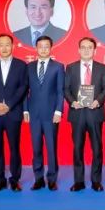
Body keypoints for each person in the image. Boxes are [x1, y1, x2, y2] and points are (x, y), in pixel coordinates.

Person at [64, 37, 105, 191]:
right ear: (78, 50)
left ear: (94, 50)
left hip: (95, 112)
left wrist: (98, 101)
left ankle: (96, 181)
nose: (86, 50)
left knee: (97, 149)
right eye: (83, 47)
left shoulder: (102, 68)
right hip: (77, 113)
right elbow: (66, 89)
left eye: (89, 47)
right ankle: (79, 181)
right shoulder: (70, 67)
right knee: (77, 149)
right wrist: (72, 102)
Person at [0, 33, 28, 191]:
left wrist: (9, 105)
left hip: (13, 112)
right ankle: (0, 179)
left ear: (13, 46)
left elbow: (23, 87)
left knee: (14, 147)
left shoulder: (21, 65)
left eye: (7, 44)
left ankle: (15, 179)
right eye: (1, 45)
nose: (4, 48)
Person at [25, 36, 65, 190]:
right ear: (36, 48)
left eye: (46, 46)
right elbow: (25, 91)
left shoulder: (58, 67)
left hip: (51, 114)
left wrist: (58, 111)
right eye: (40, 46)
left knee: (51, 147)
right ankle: (38, 178)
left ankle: (52, 179)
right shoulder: (29, 67)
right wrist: (25, 110)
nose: (43, 49)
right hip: (34, 113)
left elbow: (60, 91)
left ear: (51, 48)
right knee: (36, 148)